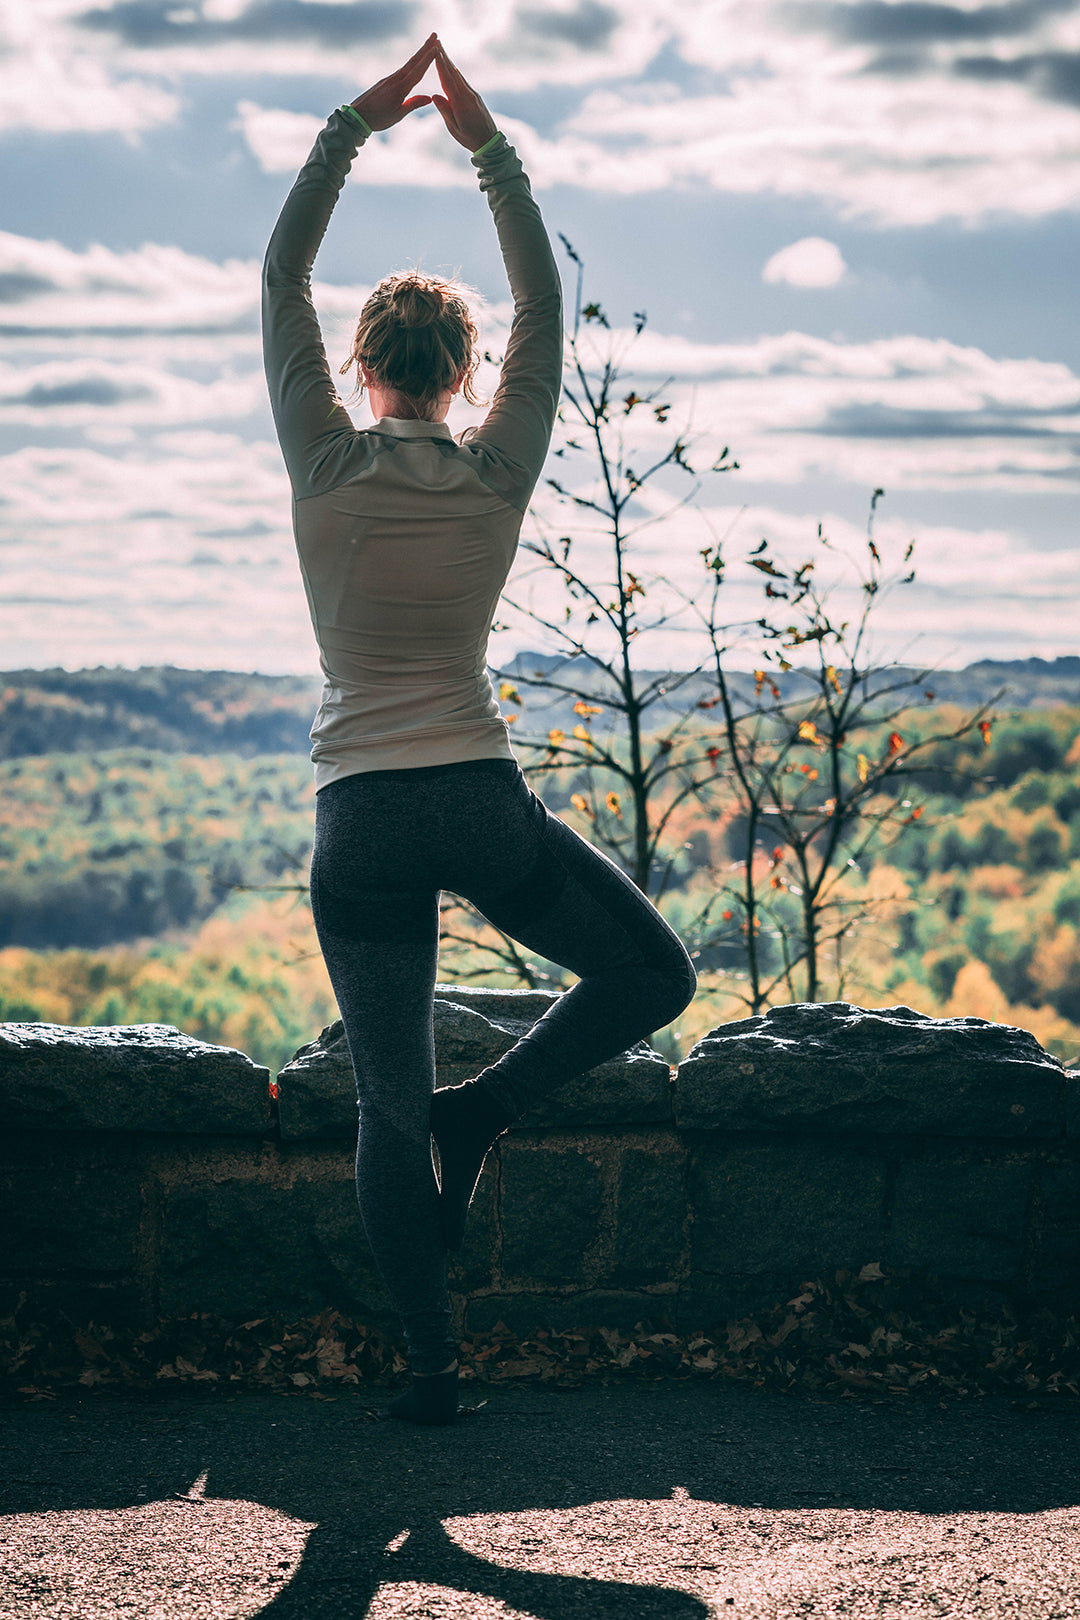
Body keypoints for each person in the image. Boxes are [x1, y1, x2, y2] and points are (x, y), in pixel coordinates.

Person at [263, 35, 697, 1425]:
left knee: (386, 1107)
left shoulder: (322, 461)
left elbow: (280, 277)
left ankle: (431, 1370)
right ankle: (492, 1105)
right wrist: (488, 150)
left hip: (361, 819)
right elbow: (544, 301)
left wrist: (351, 127)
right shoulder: (498, 469)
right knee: (653, 974)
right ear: (466, 373)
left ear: (358, 368)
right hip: (476, 799)